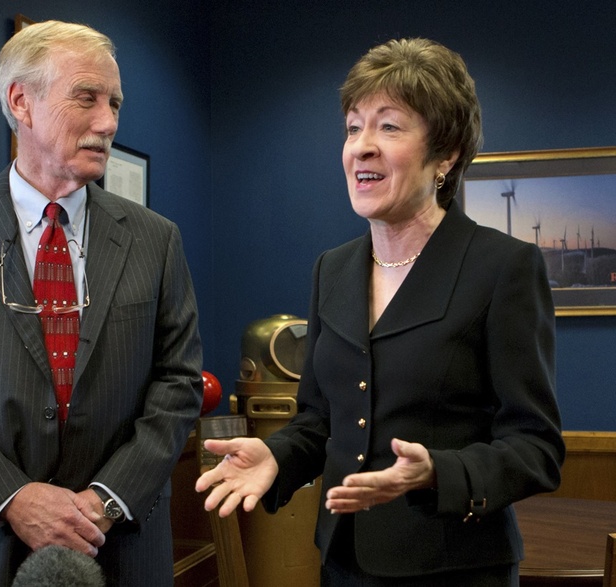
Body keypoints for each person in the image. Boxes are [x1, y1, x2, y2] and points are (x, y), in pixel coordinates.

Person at [196, 38, 564, 586]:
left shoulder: (503, 267)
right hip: (342, 562)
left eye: (389, 127)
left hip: (455, 569)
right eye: (353, 128)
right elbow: (319, 421)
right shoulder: (332, 269)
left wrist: (438, 472)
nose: (361, 147)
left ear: (446, 155)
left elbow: (537, 448)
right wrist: (277, 457)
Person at [0, 20, 203, 587]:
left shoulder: (156, 239)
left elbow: (178, 382)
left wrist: (107, 498)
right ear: (21, 102)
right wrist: (12, 498)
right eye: (86, 98)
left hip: (119, 544)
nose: (108, 122)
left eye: (114, 103)